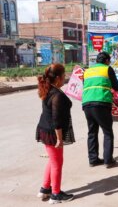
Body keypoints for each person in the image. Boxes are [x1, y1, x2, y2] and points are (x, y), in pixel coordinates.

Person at [36, 64, 75, 204]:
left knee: (52, 161)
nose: (66, 77)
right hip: (52, 133)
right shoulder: (56, 95)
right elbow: (56, 120)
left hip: (45, 130)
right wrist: (59, 139)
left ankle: (45, 188)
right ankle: (56, 194)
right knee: (57, 163)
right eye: (64, 75)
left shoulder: (49, 89)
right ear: (58, 78)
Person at [82, 52, 118, 168]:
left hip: (87, 103)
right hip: (101, 103)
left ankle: (93, 160)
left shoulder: (87, 71)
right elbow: (117, 87)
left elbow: (86, 85)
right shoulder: (107, 69)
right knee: (107, 132)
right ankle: (108, 160)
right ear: (107, 61)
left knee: (92, 132)